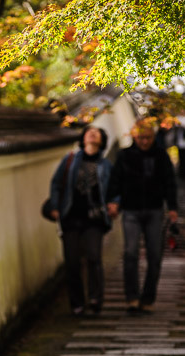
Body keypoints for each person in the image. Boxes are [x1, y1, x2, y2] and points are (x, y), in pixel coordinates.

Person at [106, 119, 178, 314]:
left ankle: (148, 298)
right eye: (140, 138)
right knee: (130, 253)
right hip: (130, 210)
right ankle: (132, 297)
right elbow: (115, 182)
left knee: (155, 255)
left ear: (153, 137)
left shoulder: (161, 156)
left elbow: (170, 182)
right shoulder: (124, 156)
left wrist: (172, 207)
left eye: (147, 138)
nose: (144, 142)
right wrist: (113, 201)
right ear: (134, 137)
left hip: (155, 210)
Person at [48, 126, 113, 316]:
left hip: (94, 218)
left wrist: (114, 203)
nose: (92, 134)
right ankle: (77, 302)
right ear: (83, 138)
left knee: (94, 258)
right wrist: (54, 206)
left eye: (97, 132)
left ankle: (95, 299)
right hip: (71, 217)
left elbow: (114, 188)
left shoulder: (106, 165)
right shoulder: (70, 160)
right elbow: (56, 183)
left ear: (102, 140)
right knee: (72, 262)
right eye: (89, 131)